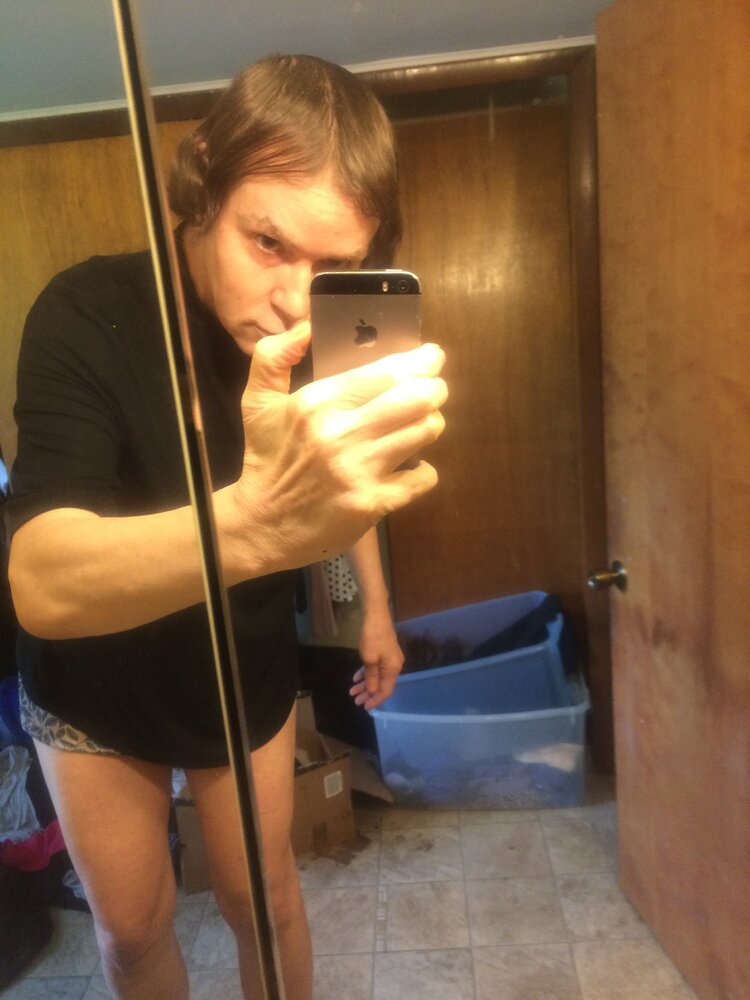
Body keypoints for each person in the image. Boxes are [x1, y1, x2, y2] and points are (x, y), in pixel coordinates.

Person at [5, 55, 447, 1000]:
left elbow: (340, 490)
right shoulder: (82, 315)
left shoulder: (317, 337)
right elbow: (39, 582)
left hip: (238, 659)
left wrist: (373, 608)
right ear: (204, 182)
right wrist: (249, 525)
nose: (295, 299)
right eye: (269, 242)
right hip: (93, 680)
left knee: (264, 898)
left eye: (335, 266)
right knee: (134, 929)